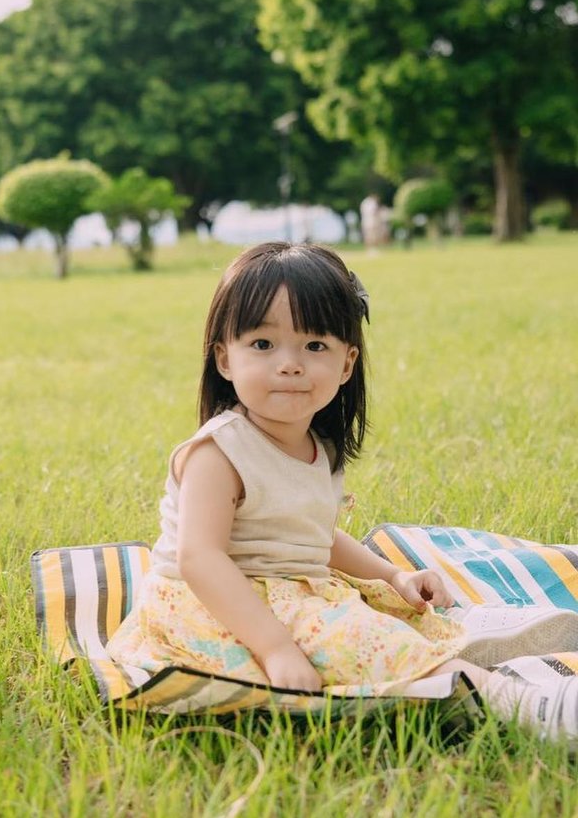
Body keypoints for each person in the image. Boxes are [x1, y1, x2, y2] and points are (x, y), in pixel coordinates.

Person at [106, 242, 578, 743]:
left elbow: (316, 537)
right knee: (360, 640)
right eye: (263, 345)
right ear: (225, 359)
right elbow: (200, 559)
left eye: (314, 346)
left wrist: (394, 574)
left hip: (292, 590)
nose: (290, 364)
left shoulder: (316, 445)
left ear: (347, 364)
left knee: (378, 611)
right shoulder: (217, 453)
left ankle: (465, 638)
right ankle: (508, 700)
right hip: (215, 607)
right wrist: (276, 649)